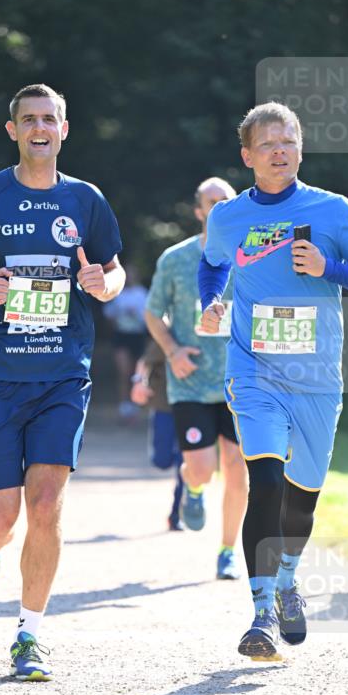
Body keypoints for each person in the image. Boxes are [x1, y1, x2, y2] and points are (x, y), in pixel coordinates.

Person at [0, 83, 124, 682]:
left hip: (62, 372)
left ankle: (28, 636)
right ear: (12, 130)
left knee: (45, 506)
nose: (39, 127)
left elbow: (113, 272)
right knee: (1, 519)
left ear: (64, 129)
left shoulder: (87, 201)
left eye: (49, 119)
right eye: (28, 119)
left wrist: (102, 286)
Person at [199, 102, 348, 658]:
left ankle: (286, 582)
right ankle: (259, 615)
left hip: (316, 377)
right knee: (266, 481)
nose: (279, 151)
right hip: (252, 369)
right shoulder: (229, 216)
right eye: (267, 144)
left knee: (301, 501)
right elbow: (214, 263)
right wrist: (212, 299)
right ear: (247, 155)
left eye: (288, 142)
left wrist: (327, 268)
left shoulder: (332, 210)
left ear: (300, 149)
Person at [145, 178, 249, 579]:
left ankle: (227, 550)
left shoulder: (252, 256)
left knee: (237, 464)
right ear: (199, 211)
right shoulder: (175, 259)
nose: (220, 207)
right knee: (203, 468)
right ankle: (193, 487)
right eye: (212, 202)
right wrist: (172, 351)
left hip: (239, 381)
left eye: (227, 201)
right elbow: (154, 313)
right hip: (189, 381)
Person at [130, 339, 185, 531]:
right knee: (161, 461)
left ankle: (176, 514)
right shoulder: (167, 334)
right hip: (163, 406)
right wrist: (138, 382)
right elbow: (144, 361)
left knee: (184, 464)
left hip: (192, 406)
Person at [103, 267, 149, 421]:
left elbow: (149, 317)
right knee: (123, 371)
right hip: (121, 336)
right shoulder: (118, 292)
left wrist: (136, 315)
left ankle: (135, 404)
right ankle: (124, 405)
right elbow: (109, 314)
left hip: (137, 336)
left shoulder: (142, 293)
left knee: (136, 373)